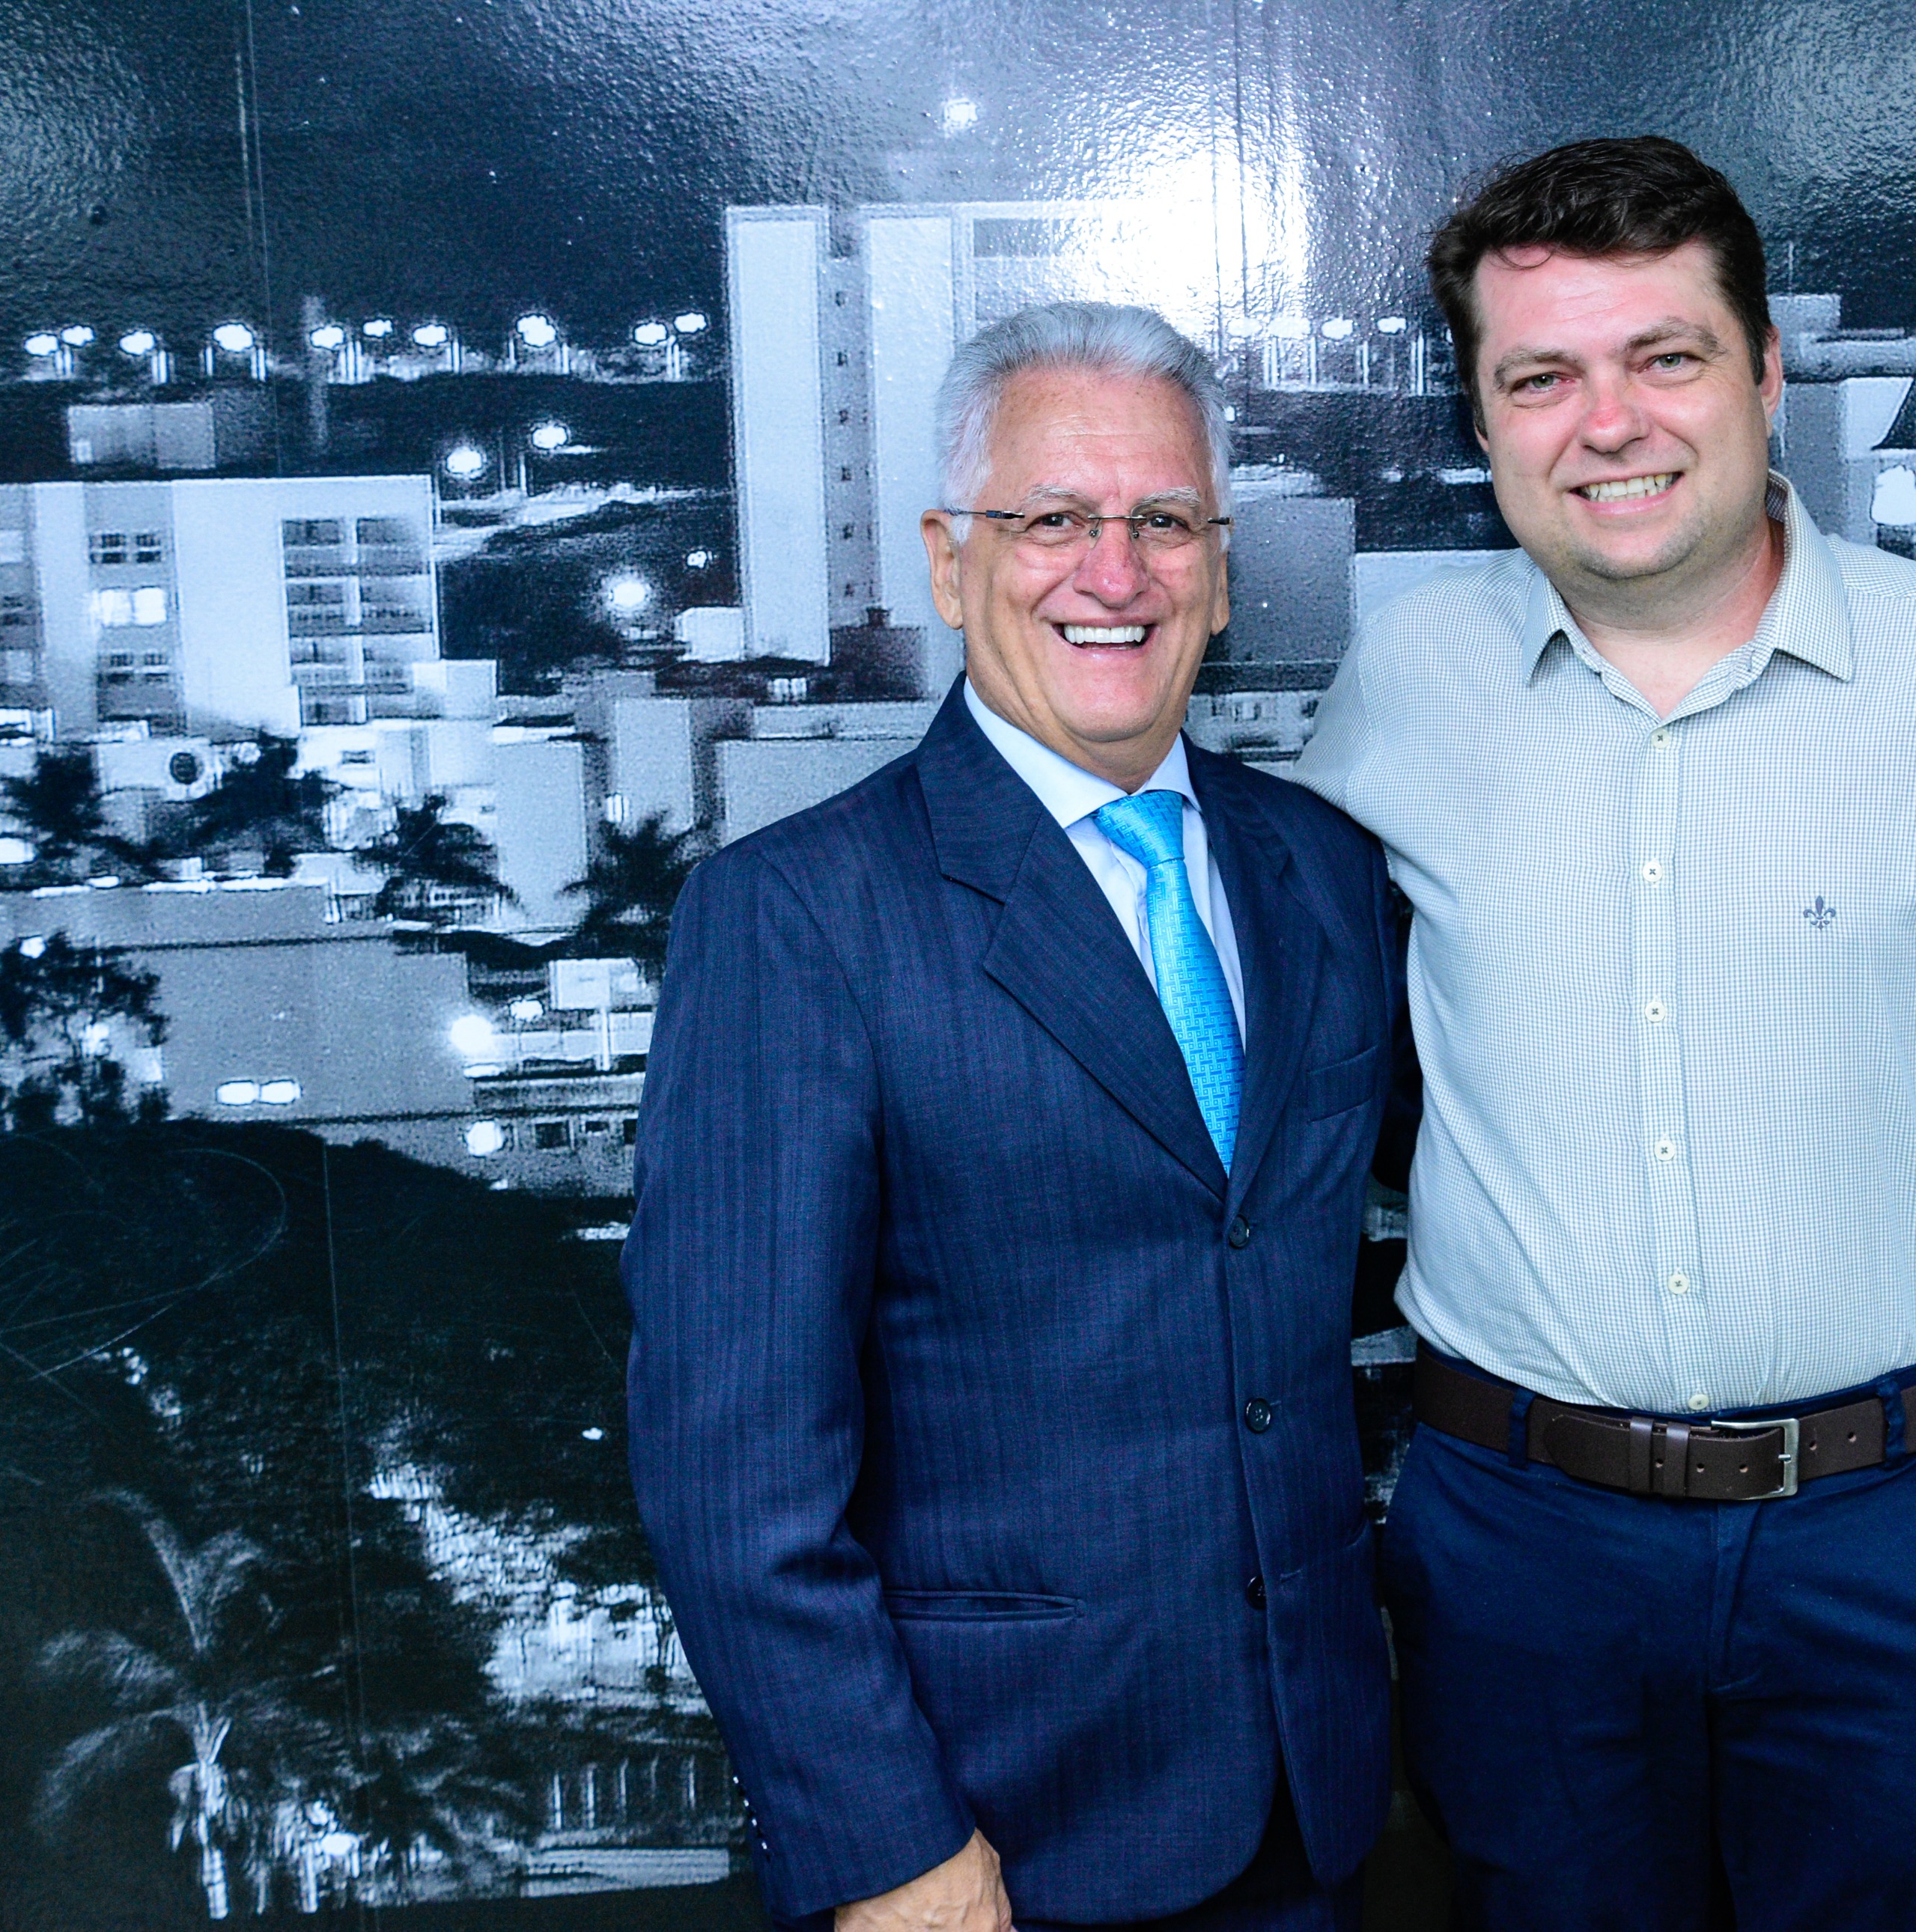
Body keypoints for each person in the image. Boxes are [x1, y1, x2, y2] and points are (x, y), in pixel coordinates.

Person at [1293, 137, 1916, 1930]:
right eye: (1541, 376)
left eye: (1665, 357)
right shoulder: (1403, 681)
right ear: (1482, 419)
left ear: (1764, 375)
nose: (1606, 423)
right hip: (1519, 1545)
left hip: (1899, 1534)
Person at [625, 302, 1396, 1932]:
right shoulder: (796, 919)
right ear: (948, 559)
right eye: (1051, 519)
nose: (1115, 573)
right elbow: (734, 1475)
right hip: (992, 1839)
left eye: (1164, 520)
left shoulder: (1320, 869)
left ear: (1221, 567)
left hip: (1315, 1801)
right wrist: (886, 1844)